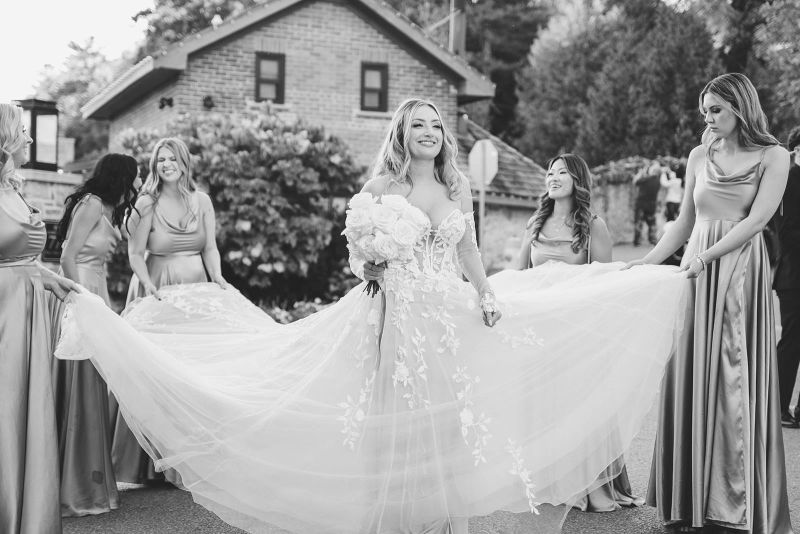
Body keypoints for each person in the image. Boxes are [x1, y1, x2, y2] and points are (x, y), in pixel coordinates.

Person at [56, 99, 689, 534]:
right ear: (402, 135)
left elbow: (467, 249)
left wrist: (485, 294)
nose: (430, 133)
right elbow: (359, 254)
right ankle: (397, 516)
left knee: (448, 417)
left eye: (436, 125)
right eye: (419, 125)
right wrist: (373, 266)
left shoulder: (456, 187)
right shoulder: (381, 189)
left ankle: (442, 520)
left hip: (446, 312)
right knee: (398, 411)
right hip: (396, 314)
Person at [627, 73, 792, 533]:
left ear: (740, 106)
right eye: (705, 112)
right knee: (691, 368)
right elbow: (684, 222)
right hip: (696, 270)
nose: (709, 119)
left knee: (729, 373)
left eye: (716, 110)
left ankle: (731, 505)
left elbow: (757, 220)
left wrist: (706, 257)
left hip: (737, 267)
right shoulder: (699, 155)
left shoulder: (774, 156)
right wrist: (647, 261)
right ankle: (689, 501)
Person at [517, 153, 644, 513]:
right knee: (548, 404)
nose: (553, 177)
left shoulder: (593, 225)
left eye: (562, 172)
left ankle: (590, 485)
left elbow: (603, 283)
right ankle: (552, 480)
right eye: (550, 172)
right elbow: (519, 274)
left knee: (580, 405)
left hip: (577, 328)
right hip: (541, 328)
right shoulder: (535, 222)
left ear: (577, 181)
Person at [110, 137, 227, 485]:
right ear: (154, 165)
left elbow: (210, 247)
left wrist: (218, 277)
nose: (166, 164)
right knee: (152, 372)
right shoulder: (147, 202)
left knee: (191, 370)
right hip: (157, 288)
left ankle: (190, 460)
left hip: (195, 293)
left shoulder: (202, 201)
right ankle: (144, 463)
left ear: (184, 162)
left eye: (172, 158)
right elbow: (135, 254)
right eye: (160, 159)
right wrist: (147, 284)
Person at [0, 102, 77, 533]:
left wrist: (50, 279)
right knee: (5, 404)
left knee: (25, 406)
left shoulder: (15, 188)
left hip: (30, 307)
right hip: (4, 310)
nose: (30, 138)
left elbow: (23, 257)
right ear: (5, 138)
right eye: (23, 131)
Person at [53, 153, 141, 516]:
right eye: (135, 177)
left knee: (96, 386)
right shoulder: (90, 204)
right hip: (81, 296)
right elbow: (66, 256)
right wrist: (79, 301)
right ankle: (75, 485)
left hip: (96, 296)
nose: (138, 183)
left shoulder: (108, 208)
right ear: (121, 177)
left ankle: (88, 480)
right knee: (84, 387)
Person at [775, 126, 800, 428]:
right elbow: (786, 231)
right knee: (792, 342)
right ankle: (779, 406)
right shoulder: (788, 180)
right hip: (793, 276)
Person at [632, 160, 662, 246]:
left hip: (641, 204)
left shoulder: (646, 179)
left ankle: (637, 241)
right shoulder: (658, 182)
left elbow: (635, 182)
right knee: (652, 223)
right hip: (651, 205)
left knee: (638, 222)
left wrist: (641, 173)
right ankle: (652, 240)